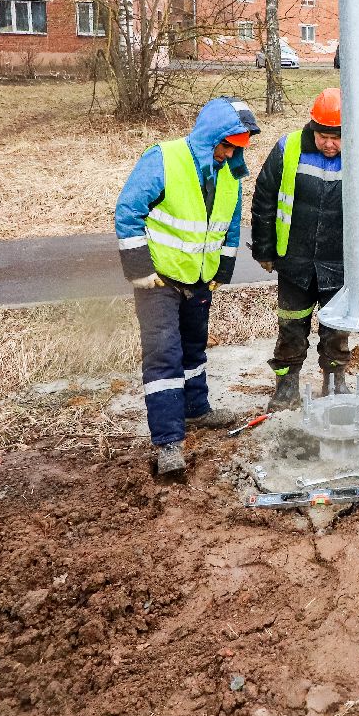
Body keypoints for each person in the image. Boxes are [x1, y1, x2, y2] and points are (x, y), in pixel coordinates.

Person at [115, 96, 261, 477]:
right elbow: (128, 212)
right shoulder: (164, 159)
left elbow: (229, 226)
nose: (228, 155)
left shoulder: (230, 174)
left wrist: (221, 272)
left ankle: (197, 410)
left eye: (236, 149)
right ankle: (167, 442)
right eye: (225, 145)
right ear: (210, 136)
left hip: (199, 278)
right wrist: (139, 270)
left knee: (194, 350)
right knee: (164, 356)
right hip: (159, 279)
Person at [250, 87, 349, 410]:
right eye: (324, 136)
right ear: (312, 128)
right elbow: (264, 199)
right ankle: (286, 386)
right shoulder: (288, 148)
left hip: (340, 265)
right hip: (295, 263)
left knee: (336, 330)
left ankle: (334, 384)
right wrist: (264, 250)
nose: (330, 144)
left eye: (337, 137)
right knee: (291, 327)